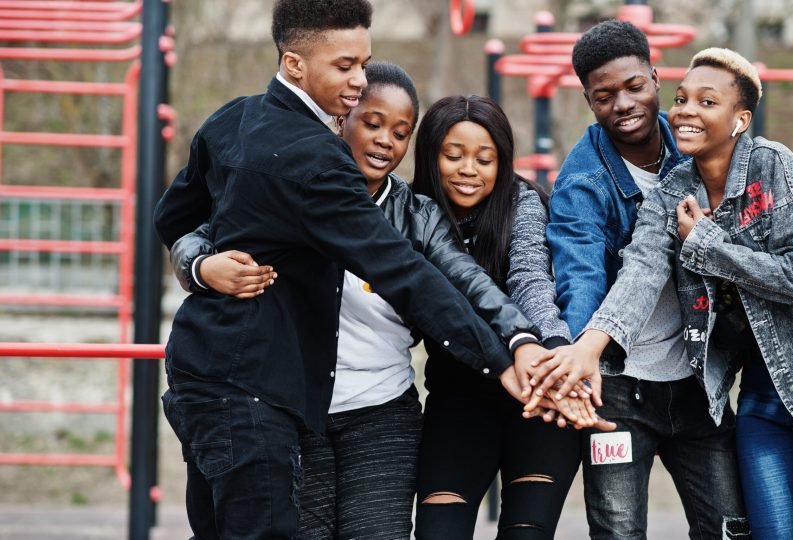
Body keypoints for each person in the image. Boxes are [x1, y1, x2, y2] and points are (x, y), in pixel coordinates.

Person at [153, 2, 545, 537]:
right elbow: (400, 270)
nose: (360, 79)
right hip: (249, 391)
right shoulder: (318, 160)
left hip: (199, 374)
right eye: (344, 66)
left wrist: (200, 263)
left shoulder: (233, 116)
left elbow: (172, 216)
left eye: (363, 63)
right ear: (294, 64)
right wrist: (499, 359)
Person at [540, 47, 793, 539]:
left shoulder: (772, 165)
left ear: (739, 119)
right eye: (683, 99)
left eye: (707, 102)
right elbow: (640, 270)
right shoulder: (672, 190)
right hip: (761, 397)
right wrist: (588, 348)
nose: (686, 111)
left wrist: (707, 245)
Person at [540, 21, 749, 539]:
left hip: (697, 379)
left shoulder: (696, 146)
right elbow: (580, 276)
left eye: (634, 86)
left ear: (655, 78)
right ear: (589, 101)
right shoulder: (581, 183)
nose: (623, 104)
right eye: (604, 96)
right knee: (618, 531)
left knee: (730, 527)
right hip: (619, 386)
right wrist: (584, 357)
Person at [411, 95, 612, 540]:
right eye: (453, 156)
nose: (469, 170)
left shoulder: (523, 202)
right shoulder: (410, 214)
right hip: (457, 400)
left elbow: (530, 280)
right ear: (429, 156)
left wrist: (554, 352)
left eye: (485, 159)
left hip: (538, 395)